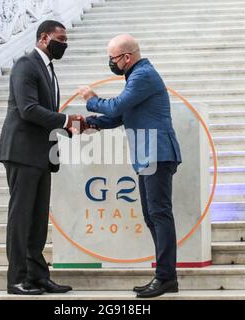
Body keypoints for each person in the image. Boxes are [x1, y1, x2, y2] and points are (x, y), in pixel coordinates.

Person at [78, 34, 182, 299]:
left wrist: (91, 99)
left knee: (159, 214)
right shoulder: (135, 78)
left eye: (112, 58)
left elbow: (116, 107)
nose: (110, 63)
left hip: (158, 153)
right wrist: (86, 123)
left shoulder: (143, 75)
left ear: (127, 57)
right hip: (147, 156)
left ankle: (167, 277)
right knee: (151, 216)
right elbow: (120, 117)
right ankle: (164, 275)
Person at [0, 20, 85, 295]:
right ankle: (16, 279)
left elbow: (44, 112)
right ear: (44, 38)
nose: (64, 44)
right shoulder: (26, 64)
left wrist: (70, 126)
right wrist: (66, 120)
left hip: (40, 154)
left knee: (37, 220)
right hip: (22, 153)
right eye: (61, 39)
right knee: (21, 218)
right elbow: (28, 109)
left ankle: (37, 276)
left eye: (66, 40)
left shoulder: (48, 69)